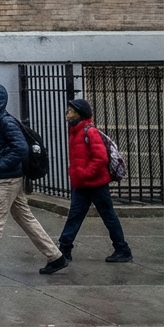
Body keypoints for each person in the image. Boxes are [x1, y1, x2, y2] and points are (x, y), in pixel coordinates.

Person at [0, 83, 66, 277]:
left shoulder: (4, 121)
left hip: (8, 179)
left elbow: (21, 148)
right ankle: (55, 256)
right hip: (9, 177)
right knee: (24, 217)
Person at [56, 98, 132, 264]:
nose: (67, 114)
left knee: (108, 216)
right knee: (75, 216)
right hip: (81, 184)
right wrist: (76, 174)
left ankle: (122, 249)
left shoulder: (89, 132)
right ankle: (64, 248)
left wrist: (84, 174)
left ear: (79, 114)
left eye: (70, 111)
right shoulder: (74, 131)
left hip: (96, 184)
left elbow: (100, 158)